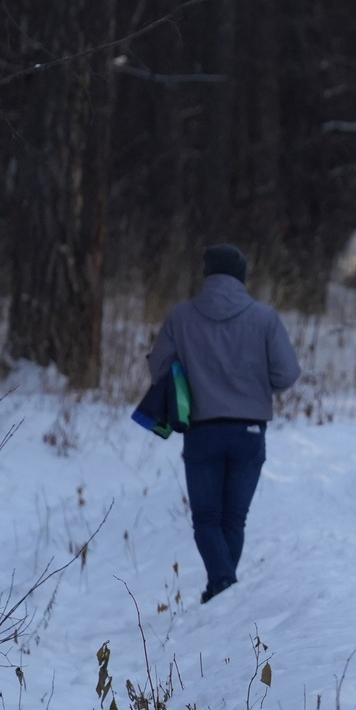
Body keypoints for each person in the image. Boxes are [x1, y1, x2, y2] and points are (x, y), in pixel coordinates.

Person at [145, 244, 300, 605]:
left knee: (206, 519)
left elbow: (159, 368)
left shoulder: (181, 317)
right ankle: (223, 591)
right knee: (234, 519)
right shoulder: (265, 318)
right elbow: (288, 373)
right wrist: (257, 387)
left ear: (207, 274)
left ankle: (222, 586)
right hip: (249, 431)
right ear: (242, 276)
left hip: (202, 431)